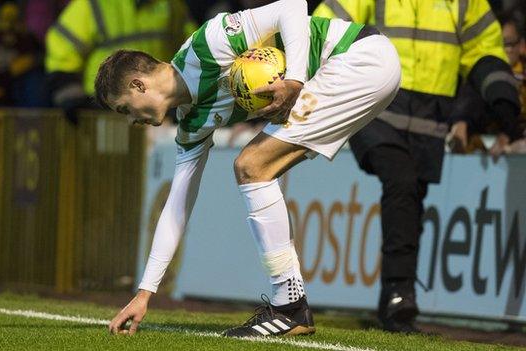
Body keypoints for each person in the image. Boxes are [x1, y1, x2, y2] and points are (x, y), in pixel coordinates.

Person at [95, 0, 401, 337]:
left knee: (251, 164)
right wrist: (145, 292)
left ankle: (290, 307)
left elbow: (292, 6)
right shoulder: (192, 122)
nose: (132, 121)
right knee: (255, 167)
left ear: (138, 85)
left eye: (125, 109)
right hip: (361, 70)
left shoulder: (209, 44)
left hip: (359, 58)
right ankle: (291, 306)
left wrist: (295, 81)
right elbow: (178, 204)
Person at [314, 0, 522, 333]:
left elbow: (483, 46)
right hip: (375, 106)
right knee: (402, 182)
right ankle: (400, 296)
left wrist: (500, 90)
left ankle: (394, 300)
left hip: (430, 118)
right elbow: (325, 26)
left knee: (410, 200)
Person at [45, 0, 195, 116]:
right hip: (104, 112)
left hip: (158, 110)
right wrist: (72, 96)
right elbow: (62, 48)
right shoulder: (93, 4)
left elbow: (194, 50)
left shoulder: (172, 5)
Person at [450, 14, 525, 155]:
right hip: (488, 148)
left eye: (508, 44)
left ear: (521, 45)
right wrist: (460, 121)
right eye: (498, 44)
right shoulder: (481, 76)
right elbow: (468, 101)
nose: (503, 51)